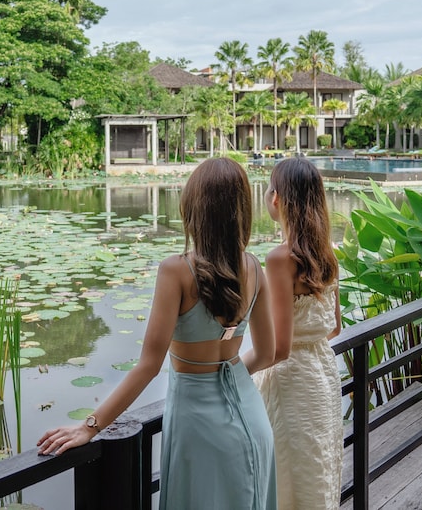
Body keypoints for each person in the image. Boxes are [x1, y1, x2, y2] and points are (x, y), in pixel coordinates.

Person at [38, 157, 277, 509]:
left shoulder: (176, 270)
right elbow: (268, 353)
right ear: (242, 210)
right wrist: (226, 373)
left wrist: (90, 426)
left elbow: (149, 366)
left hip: (201, 427)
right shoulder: (255, 266)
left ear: (194, 207)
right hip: (253, 419)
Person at [253, 157, 343, 510]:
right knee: (317, 470)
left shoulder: (279, 259)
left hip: (291, 382)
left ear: (277, 198)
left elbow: (279, 348)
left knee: (287, 477)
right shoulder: (328, 254)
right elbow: (335, 327)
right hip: (323, 374)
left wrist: (232, 370)